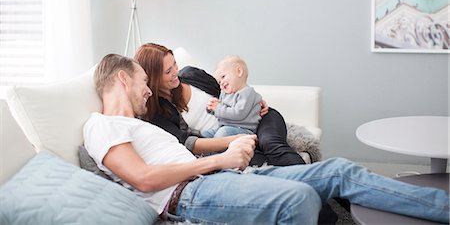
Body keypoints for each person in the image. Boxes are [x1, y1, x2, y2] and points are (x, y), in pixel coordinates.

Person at [83, 53, 449, 224]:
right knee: (300, 199)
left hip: (225, 178)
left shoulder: (143, 125)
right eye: (145, 82)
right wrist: (221, 158)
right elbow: (143, 179)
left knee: (338, 171)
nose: (148, 91)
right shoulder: (101, 125)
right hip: (194, 192)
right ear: (121, 80)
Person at [134, 43, 307, 166]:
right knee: (263, 163)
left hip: (260, 118)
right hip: (226, 140)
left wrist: (255, 101)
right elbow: (186, 143)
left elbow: (232, 88)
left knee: (273, 146)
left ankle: (323, 188)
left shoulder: (192, 75)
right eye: (168, 71)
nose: (176, 72)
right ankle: (320, 205)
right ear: (153, 77)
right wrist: (233, 140)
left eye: (175, 65)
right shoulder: (157, 113)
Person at [203, 55, 262, 139]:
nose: (222, 83)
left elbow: (239, 114)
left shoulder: (247, 92)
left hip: (244, 131)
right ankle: (207, 151)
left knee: (222, 133)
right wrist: (212, 108)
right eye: (219, 82)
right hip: (225, 128)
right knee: (205, 134)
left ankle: (215, 151)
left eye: (223, 77)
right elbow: (222, 112)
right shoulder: (225, 93)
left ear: (239, 72)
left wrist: (218, 108)